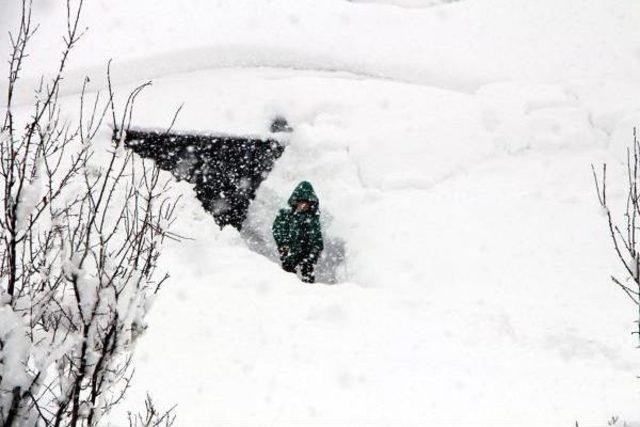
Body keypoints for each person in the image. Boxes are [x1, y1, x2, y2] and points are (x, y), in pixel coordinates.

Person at [272, 181, 324, 283]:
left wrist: (315, 250)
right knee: (288, 278)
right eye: (301, 202)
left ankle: (308, 294)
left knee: (308, 277)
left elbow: (317, 237)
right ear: (295, 201)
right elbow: (278, 229)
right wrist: (283, 243)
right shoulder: (286, 214)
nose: (303, 205)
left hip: (307, 253)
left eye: (306, 202)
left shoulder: (312, 218)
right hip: (290, 250)